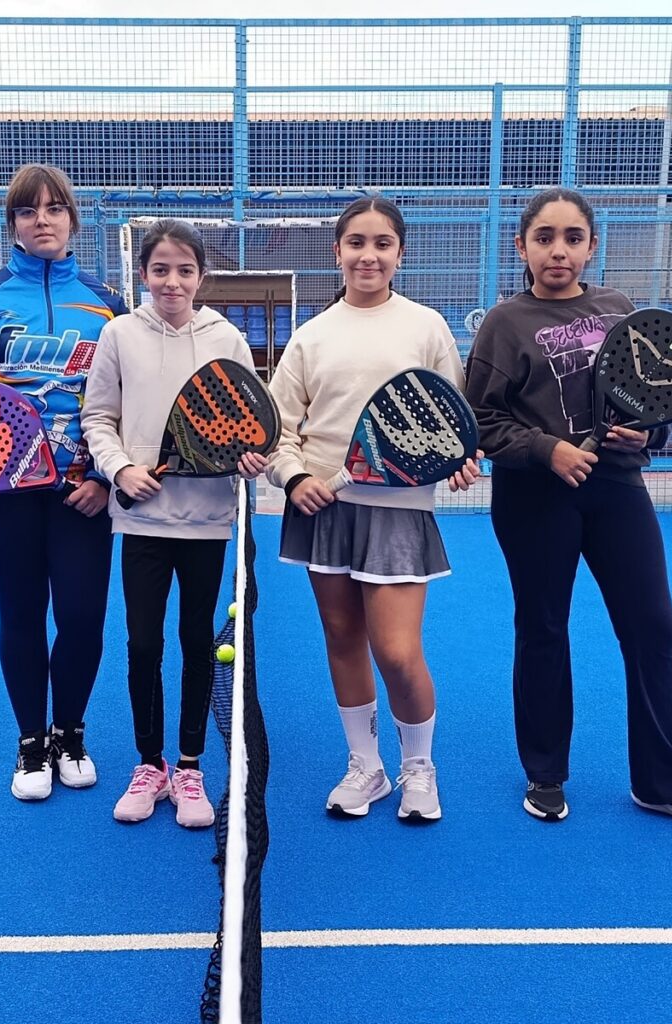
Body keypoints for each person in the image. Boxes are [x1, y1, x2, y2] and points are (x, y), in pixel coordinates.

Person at [464, 186, 672, 833]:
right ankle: (546, 774)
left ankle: (664, 782)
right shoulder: (504, 323)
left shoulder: (617, 308)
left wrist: (651, 435)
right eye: (545, 237)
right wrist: (547, 449)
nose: (559, 251)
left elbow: (651, 395)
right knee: (544, 630)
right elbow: (479, 419)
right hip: (535, 498)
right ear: (521, 245)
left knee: (652, 626)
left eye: (573, 237)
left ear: (591, 245)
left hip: (617, 489)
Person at [264, 196, 479, 823]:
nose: (369, 254)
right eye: (356, 242)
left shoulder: (426, 326)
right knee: (343, 639)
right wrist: (294, 476)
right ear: (337, 251)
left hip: (398, 514)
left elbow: (453, 419)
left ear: (399, 254)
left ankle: (420, 768)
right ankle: (367, 767)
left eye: (382, 243)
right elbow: (277, 430)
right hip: (323, 510)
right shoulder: (311, 336)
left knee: (397, 651)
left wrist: (463, 460)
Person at [0, 164, 127, 802]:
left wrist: (102, 476)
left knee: (82, 617)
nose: (42, 219)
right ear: (11, 223)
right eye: (27, 211)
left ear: (72, 219)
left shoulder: (108, 305)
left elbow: (127, 400)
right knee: (21, 613)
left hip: (81, 492)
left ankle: (71, 732)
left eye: (54, 208)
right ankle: (31, 742)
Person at [81, 219, 267, 828]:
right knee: (141, 644)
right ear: (143, 274)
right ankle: (149, 764)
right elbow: (98, 418)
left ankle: (189, 767)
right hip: (139, 522)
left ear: (201, 276)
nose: (172, 280)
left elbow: (247, 425)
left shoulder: (228, 339)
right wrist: (119, 471)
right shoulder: (119, 336)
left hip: (207, 524)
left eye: (185, 270)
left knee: (195, 644)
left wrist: (248, 457)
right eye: (160, 269)